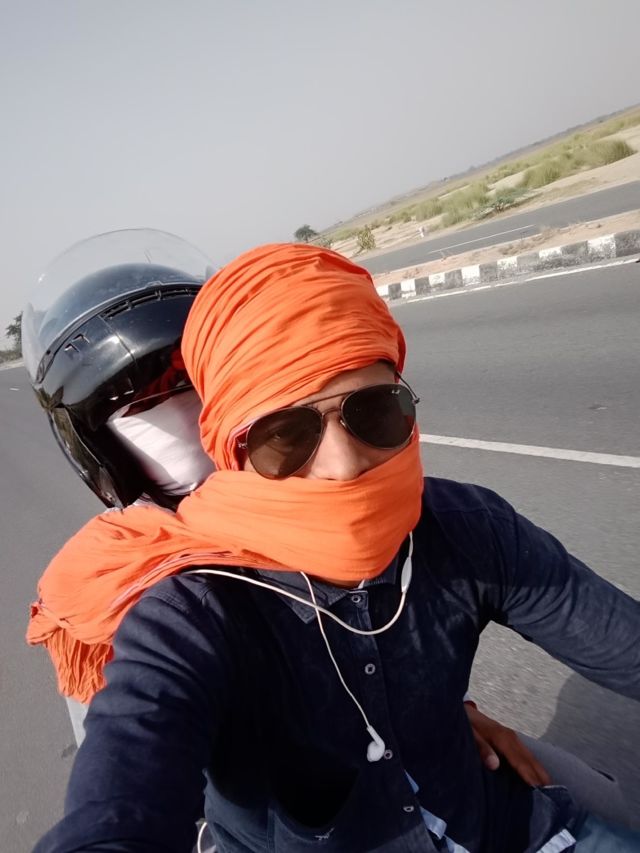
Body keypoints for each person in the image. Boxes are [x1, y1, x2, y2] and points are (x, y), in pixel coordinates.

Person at [28, 243, 639, 852]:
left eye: (375, 412)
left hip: (480, 810)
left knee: (612, 805)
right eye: (282, 435)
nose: (343, 466)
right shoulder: (148, 600)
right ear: (232, 436)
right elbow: (126, 786)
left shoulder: (457, 526)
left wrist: (439, 715)